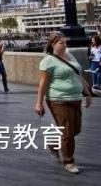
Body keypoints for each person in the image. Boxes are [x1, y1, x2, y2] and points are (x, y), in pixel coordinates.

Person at [34, 32, 92, 174]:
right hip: (58, 100)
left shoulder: (70, 56)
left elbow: (78, 75)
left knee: (75, 130)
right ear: (53, 44)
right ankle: (69, 162)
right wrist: (39, 103)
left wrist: (87, 93)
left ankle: (53, 144)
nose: (65, 45)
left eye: (65, 42)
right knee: (67, 132)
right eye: (61, 43)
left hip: (75, 98)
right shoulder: (48, 61)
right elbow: (42, 84)